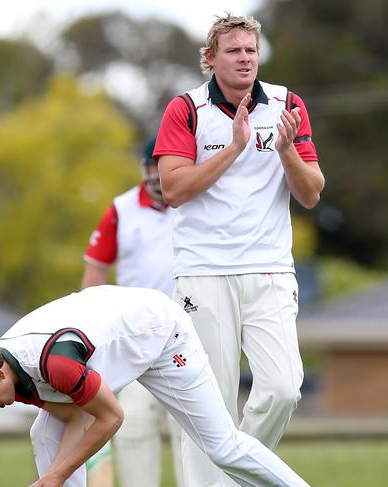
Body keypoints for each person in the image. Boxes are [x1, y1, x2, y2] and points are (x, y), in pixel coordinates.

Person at [154, 14, 325, 486]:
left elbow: (311, 193)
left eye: (251, 50)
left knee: (283, 388)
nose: (245, 58)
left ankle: (233, 478)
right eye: (233, 50)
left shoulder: (287, 104)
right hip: (204, 273)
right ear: (210, 59)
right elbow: (172, 189)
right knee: (209, 401)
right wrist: (232, 150)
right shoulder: (185, 110)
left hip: (270, 270)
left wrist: (287, 150)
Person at [0, 285, 310, 487]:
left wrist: (54, 475)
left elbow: (109, 419)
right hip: (113, 337)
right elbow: (74, 418)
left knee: (222, 448)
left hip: (162, 336)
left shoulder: (53, 363)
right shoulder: (10, 368)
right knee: (43, 432)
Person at [82, 138, 183, 487]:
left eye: (163, 167)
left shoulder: (194, 200)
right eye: (151, 169)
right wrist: (90, 332)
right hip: (136, 337)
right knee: (134, 424)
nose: (156, 177)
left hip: (189, 333)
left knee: (193, 429)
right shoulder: (122, 209)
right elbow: (96, 269)